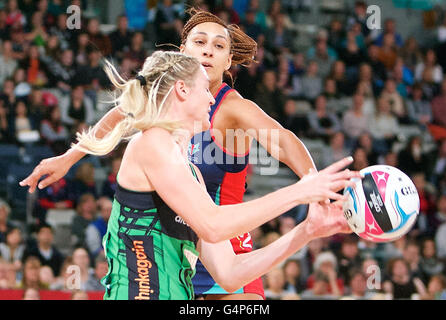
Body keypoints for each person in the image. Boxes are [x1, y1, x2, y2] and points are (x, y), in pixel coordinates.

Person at [19, 10, 361, 300]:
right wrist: (69, 157)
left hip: (223, 241)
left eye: (219, 46)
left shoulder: (232, 109)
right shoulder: (154, 134)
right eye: (199, 42)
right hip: (189, 244)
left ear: (229, 61)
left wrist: (314, 190)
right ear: (182, 53)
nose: (208, 51)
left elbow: (284, 142)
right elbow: (119, 114)